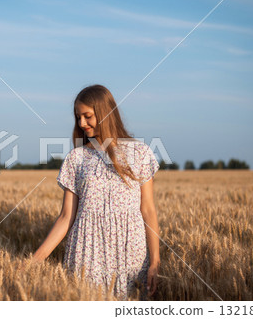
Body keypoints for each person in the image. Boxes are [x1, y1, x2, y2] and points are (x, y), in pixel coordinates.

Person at [30, 84, 160, 300]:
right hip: (86, 252)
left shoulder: (141, 153)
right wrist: (34, 261)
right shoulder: (76, 159)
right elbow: (66, 217)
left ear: (105, 113)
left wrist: (155, 261)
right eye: (78, 117)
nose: (81, 123)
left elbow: (148, 210)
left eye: (87, 116)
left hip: (131, 252)